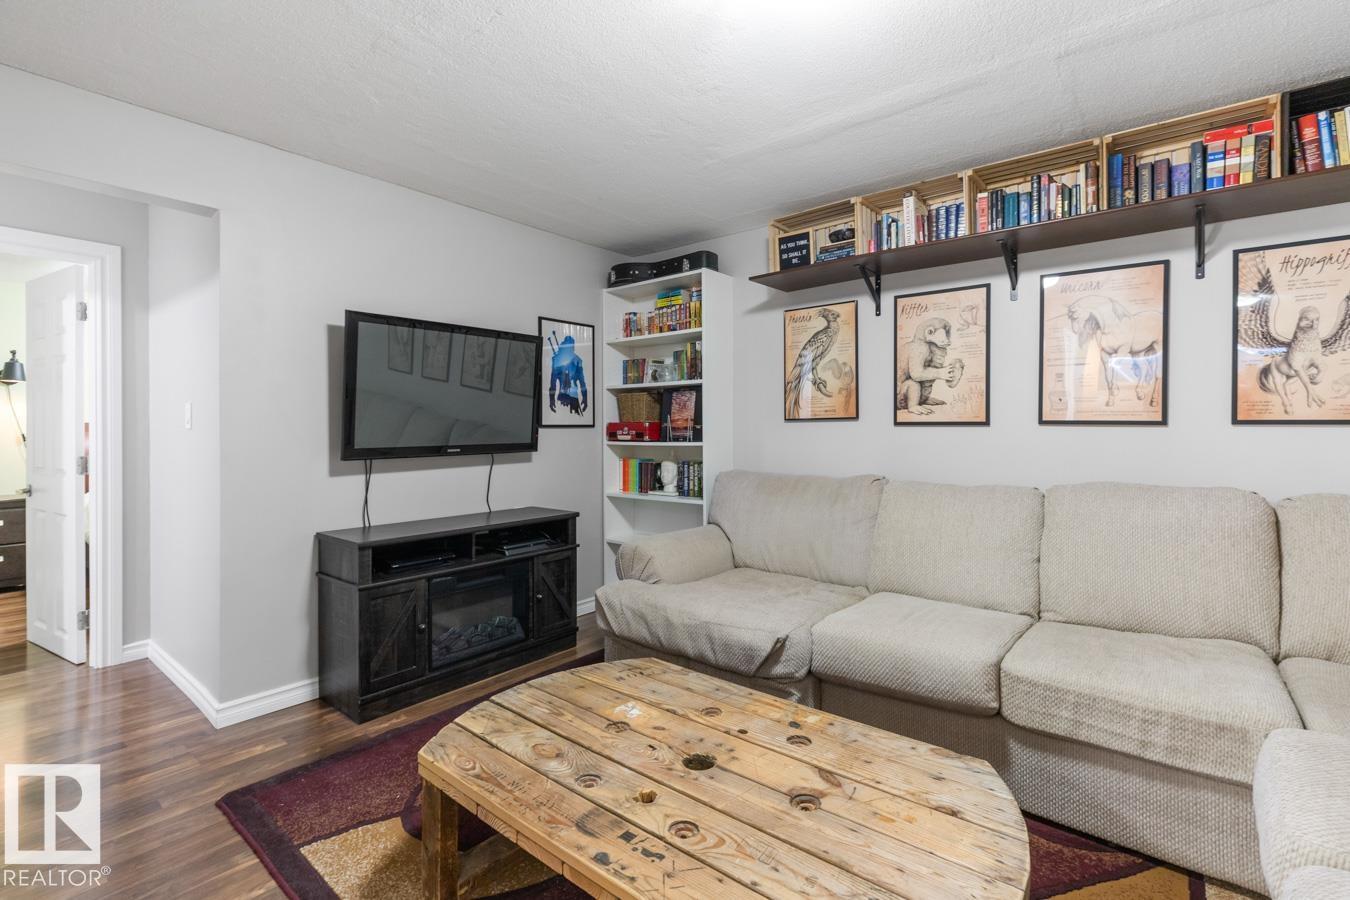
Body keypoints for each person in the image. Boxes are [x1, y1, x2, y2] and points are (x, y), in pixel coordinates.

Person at [548, 334, 588, 416]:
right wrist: (551, 400)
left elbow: (582, 382)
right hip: (566, 397)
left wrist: (585, 397)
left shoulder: (576, 361)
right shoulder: (558, 360)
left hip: (570, 397)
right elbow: (553, 384)